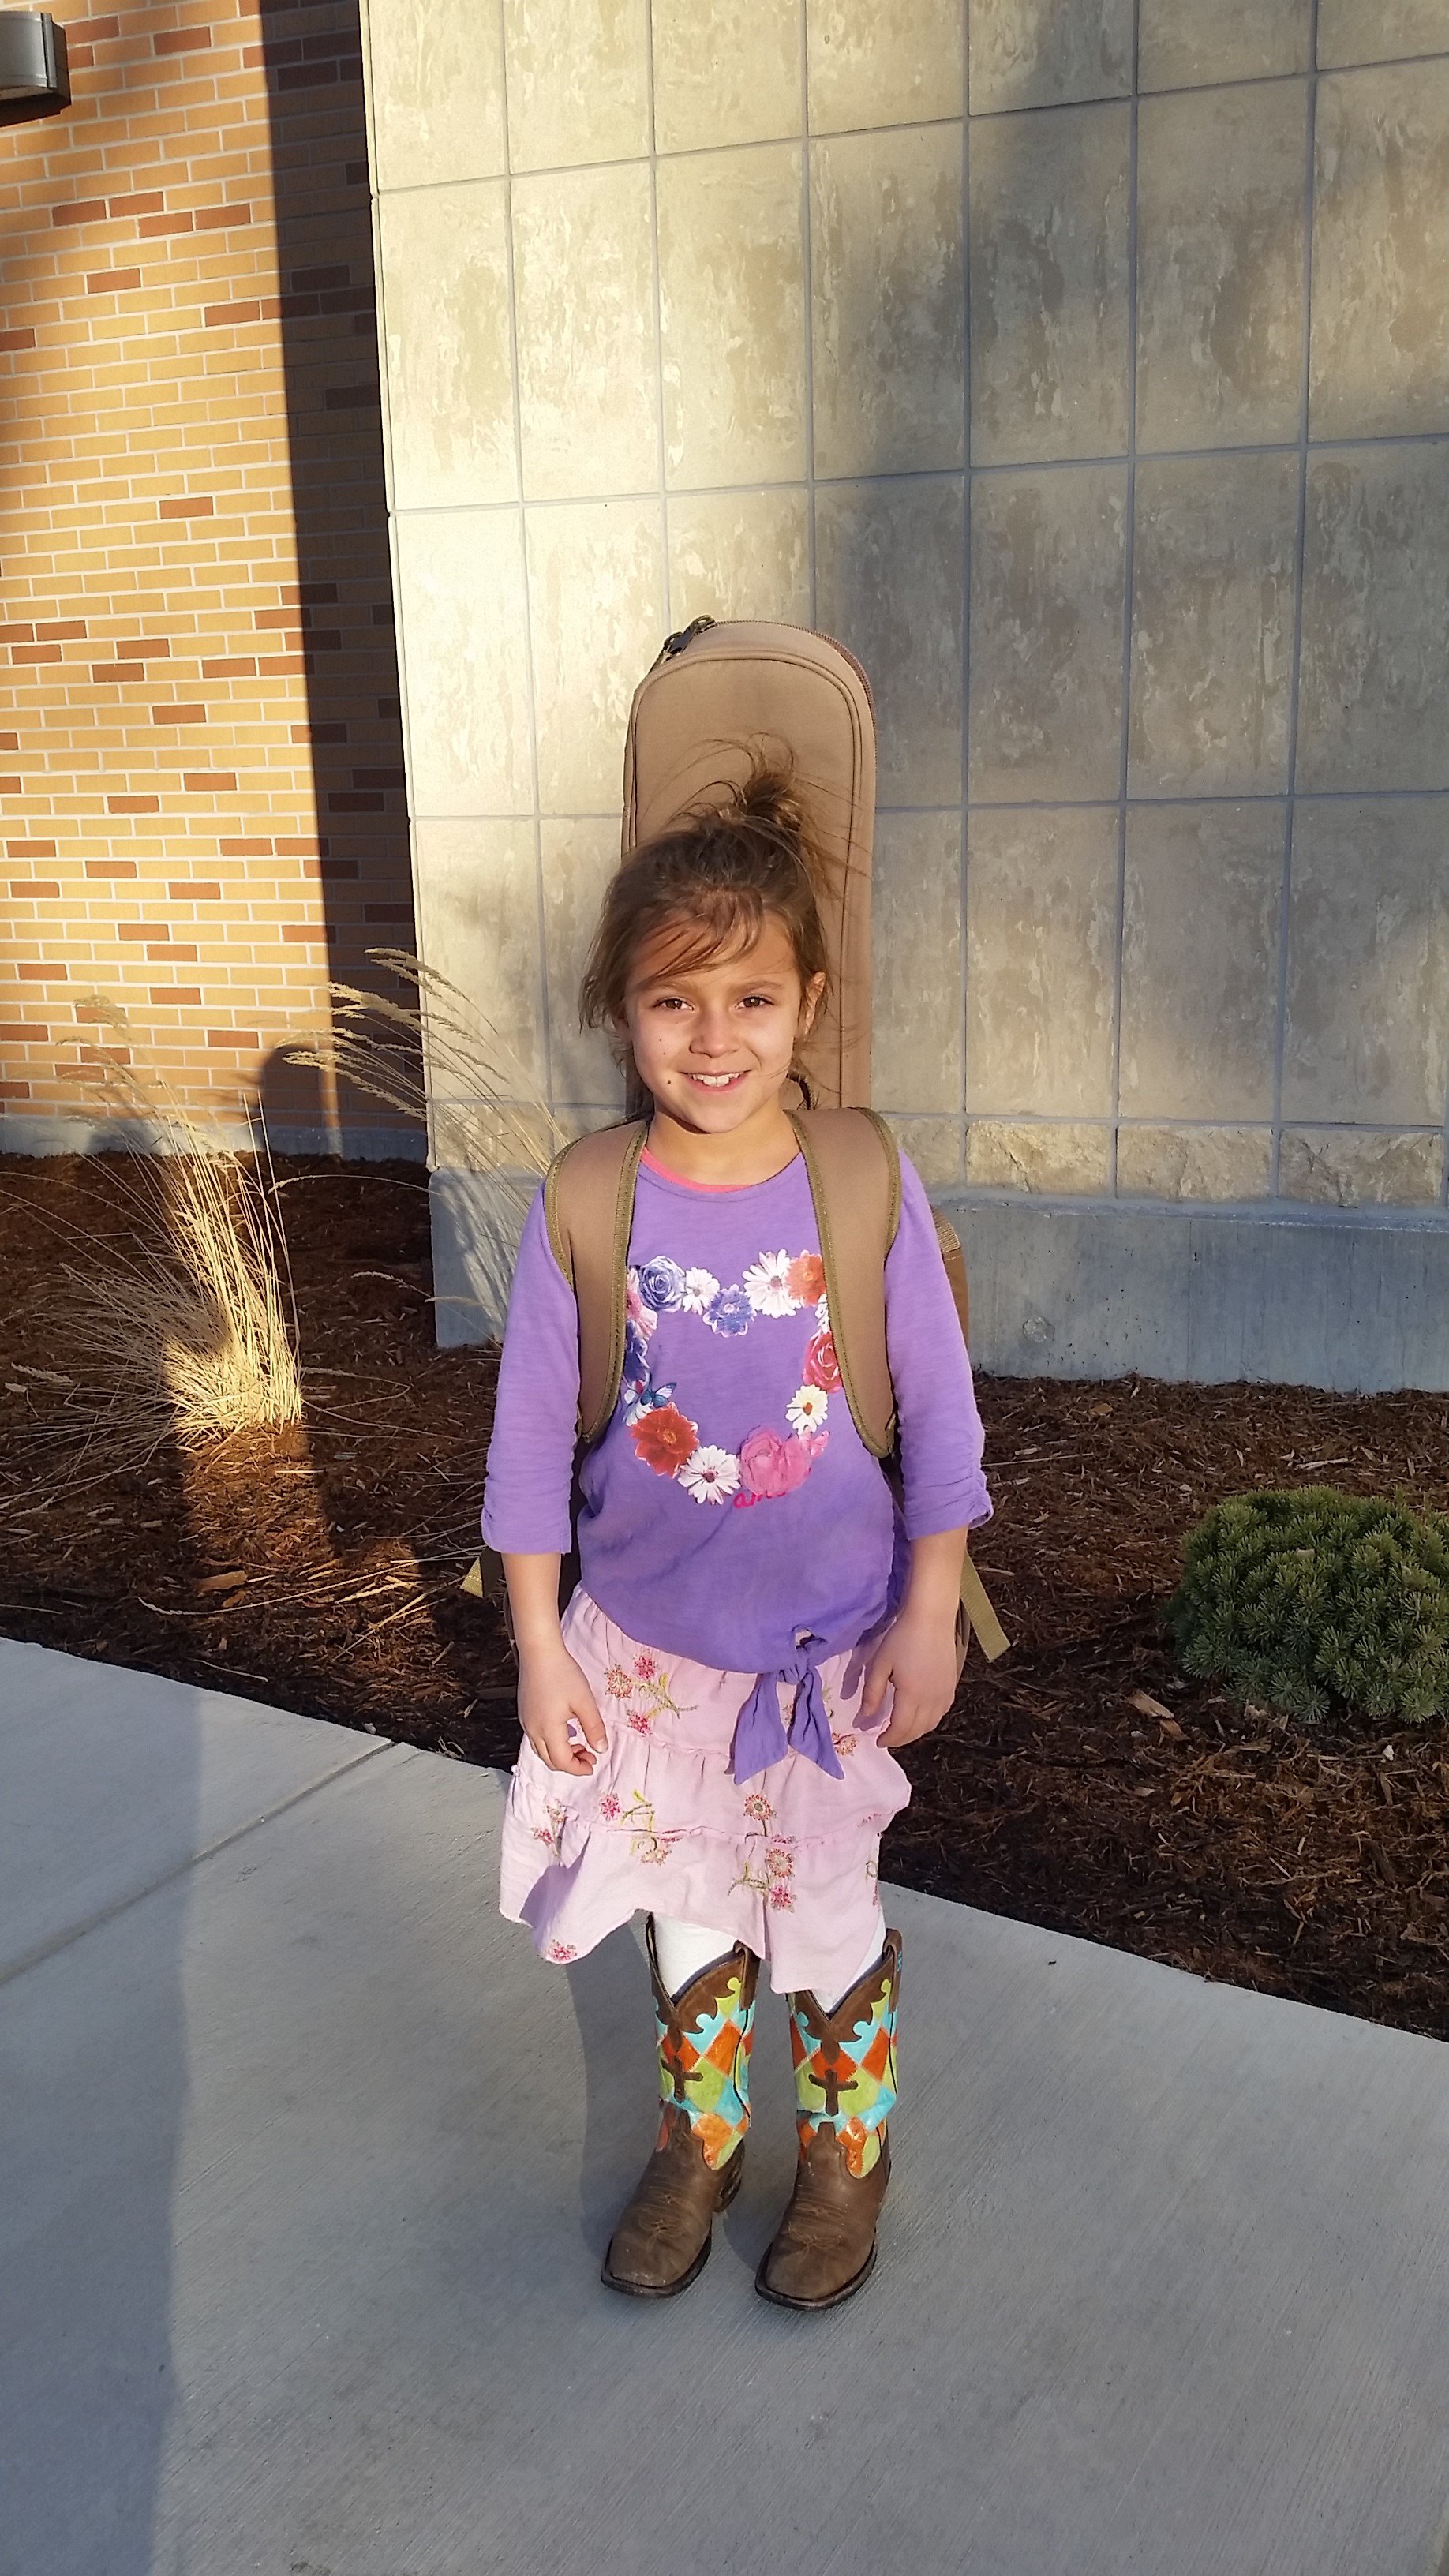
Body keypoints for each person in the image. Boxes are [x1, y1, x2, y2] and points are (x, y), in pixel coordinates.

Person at [481, 766, 990, 2310]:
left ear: (808, 1004)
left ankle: (845, 2158)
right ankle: (699, 2143)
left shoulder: (859, 1177)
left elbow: (942, 1412)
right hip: (649, 1659)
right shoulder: (590, 1198)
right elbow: (527, 1445)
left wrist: (929, 1608)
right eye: (674, 1003)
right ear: (622, 1014)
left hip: (828, 1661)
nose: (715, 1040)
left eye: (753, 1000)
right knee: (689, 1917)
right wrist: (538, 1651)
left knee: (823, 1922)